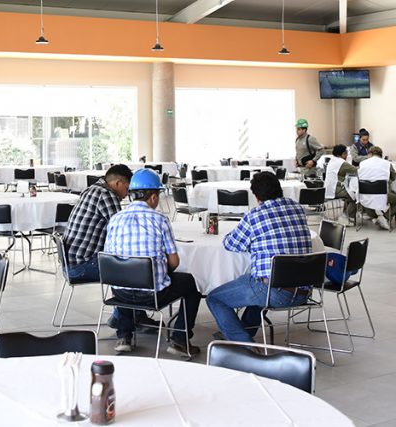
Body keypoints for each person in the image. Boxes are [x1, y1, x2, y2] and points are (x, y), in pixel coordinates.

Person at [207, 172, 315, 343]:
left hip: (274, 292)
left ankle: (243, 344)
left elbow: (230, 244)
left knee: (215, 298)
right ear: (280, 189)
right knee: (251, 280)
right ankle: (242, 331)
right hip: (304, 290)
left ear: (256, 196)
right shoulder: (297, 208)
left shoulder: (254, 216)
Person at [103, 168, 200, 356]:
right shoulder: (160, 219)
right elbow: (174, 261)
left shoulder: (115, 219)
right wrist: (160, 271)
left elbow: (110, 258)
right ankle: (180, 340)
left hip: (119, 293)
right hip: (151, 295)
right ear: (154, 197)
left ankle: (124, 336)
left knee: (123, 276)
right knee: (190, 283)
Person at [63, 165, 133, 283]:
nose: (127, 194)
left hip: (70, 263)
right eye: (127, 189)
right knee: (139, 270)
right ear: (118, 183)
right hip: (83, 265)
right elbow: (123, 232)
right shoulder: (107, 195)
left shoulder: (92, 189)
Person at [356, 147, 396, 229]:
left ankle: (375, 217)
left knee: (365, 201)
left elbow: (359, 176)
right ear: (381, 155)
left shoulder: (362, 163)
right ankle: (385, 217)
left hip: (364, 193)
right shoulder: (387, 163)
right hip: (382, 193)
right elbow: (393, 177)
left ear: (370, 154)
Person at [324, 144, 358, 218]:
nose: (347, 155)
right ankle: (349, 218)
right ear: (343, 153)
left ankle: (344, 215)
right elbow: (356, 171)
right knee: (356, 197)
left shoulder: (332, 160)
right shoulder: (342, 163)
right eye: (346, 153)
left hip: (329, 188)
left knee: (351, 194)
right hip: (337, 189)